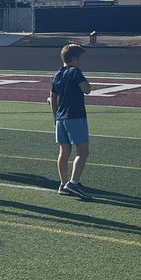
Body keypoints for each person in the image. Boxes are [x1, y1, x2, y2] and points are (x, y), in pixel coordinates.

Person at [50, 43, 92, 199]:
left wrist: (55, 116)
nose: (82, 62)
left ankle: (63, 183)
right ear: (73, 59)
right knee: (82, 151)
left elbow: (53, 97)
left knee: (64, 151)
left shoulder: (56, 75)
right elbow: (87, 89)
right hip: (75, 116)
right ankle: (73, 183)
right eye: (80, 59)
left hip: (61, 117)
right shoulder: (75, 72)